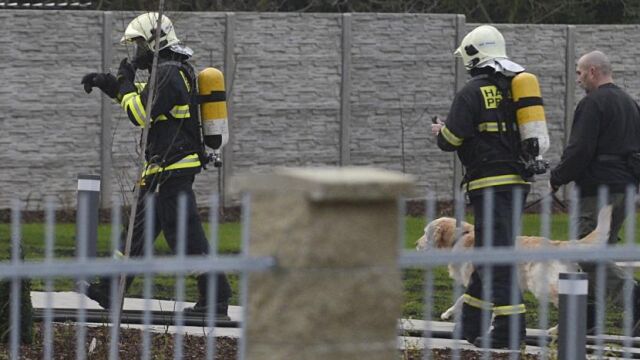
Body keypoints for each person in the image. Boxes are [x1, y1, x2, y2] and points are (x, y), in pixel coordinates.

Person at [80, 12, 232, 318]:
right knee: (135, 235)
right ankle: (113, 291)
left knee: (184, 235)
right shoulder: (169, 72)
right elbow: (145, 100)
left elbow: (139, 112)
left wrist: (122, 82)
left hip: (173, 169)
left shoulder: (169, 73)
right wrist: (107, 84)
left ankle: (216, 298)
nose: (136, 52)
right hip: (162, 169)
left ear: (153, 41)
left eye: (138, 45)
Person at [431, 25, 535, 350]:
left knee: (495, 255)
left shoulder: (472, 92)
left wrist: (440, 131)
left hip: (489, 184)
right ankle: (471, 324)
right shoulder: (515, 88)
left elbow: (450, 142)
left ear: (475, 54)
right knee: (488, 254)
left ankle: (509, 330)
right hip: (517, 183)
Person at [549, 50, 640, 334]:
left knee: (584, 253)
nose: (577, 79)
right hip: (625, 189)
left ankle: (634, 298)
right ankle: (585, 319)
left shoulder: (592, 104)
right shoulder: (630, 103)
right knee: (596, 252)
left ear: (592, 71)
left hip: (598, 191)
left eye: (578, 72)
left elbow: (581, 149)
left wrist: (558, 176)